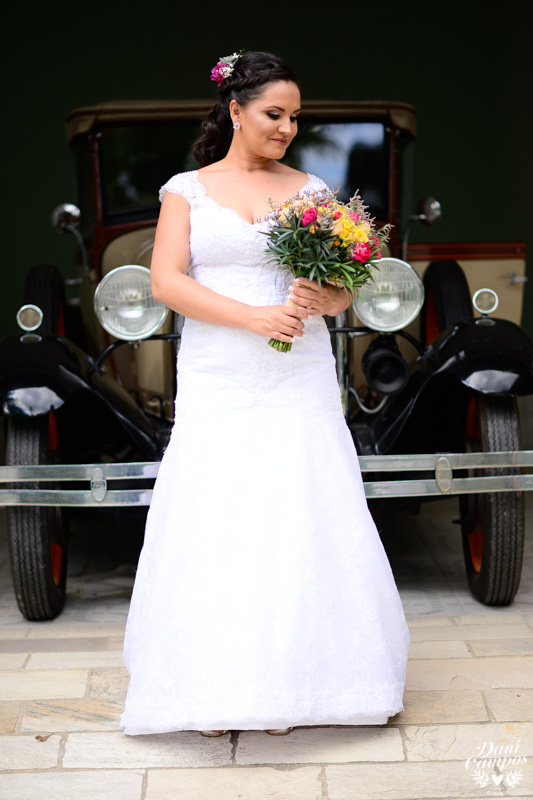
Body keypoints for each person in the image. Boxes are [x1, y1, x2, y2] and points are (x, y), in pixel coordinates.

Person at [120, 50, 410, 738]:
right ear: (235, 111)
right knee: (220, 509)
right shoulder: (185, 189)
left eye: (294, 118)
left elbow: (348, 286)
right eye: (273, 114)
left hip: (297, 372)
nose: (285, 128)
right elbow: (166, 281)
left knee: (300, 503)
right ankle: (209, 686)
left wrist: (326, 293)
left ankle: (309, 679)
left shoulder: (311, 188)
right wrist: (252, 316)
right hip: (222, 369)